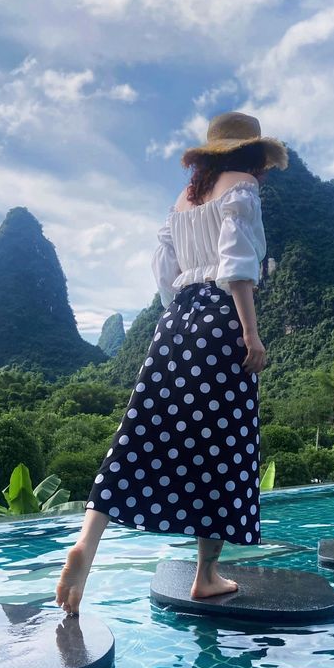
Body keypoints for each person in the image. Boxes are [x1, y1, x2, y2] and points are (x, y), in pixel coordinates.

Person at [55, 111, 288, 615]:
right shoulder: (243, 187)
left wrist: (179, 316)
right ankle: (205, 575)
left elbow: (165, 269)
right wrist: (250, 334)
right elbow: (237, 265)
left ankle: (88, 542)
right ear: (252, 156)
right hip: (222, 320)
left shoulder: (182, 201)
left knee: (140, 433)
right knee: (225, 445)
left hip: (175, 322)